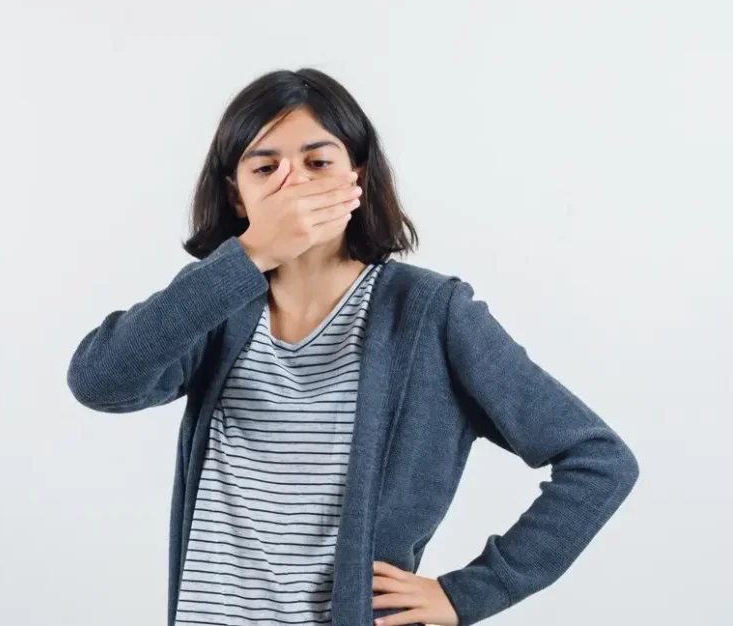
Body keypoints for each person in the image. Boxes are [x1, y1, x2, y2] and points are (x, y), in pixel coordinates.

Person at [66, 68, 639, 626]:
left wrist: (470, 594)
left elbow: (598, 460)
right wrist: (248, 256)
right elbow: (99, 381)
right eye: (265, 168)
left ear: (356, 178)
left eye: (318, 162)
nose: (294, 184)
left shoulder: (428, 314)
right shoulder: (216, 309)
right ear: (237, 196)